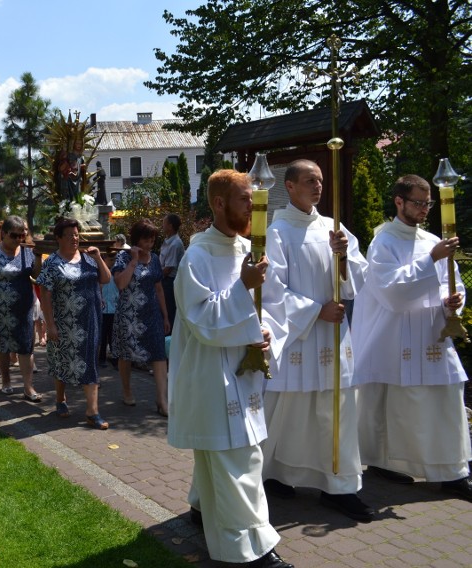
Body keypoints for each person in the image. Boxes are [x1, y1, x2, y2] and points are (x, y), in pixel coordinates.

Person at [168, 169, 292, 568]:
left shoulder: (248, 249)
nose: (254, 208)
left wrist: (267, 331)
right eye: (245, 200)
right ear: (219, 204)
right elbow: (200, 319)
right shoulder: (198, 256)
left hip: (245, 371)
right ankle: (248, 552)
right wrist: (242, 287)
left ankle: (204, 509)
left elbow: (271, 305)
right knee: (238, 459)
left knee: (239, 453)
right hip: (212, 374)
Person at [260, 159, 373, 521]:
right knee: (287, 412)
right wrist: (313, 311)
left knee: (335, 411)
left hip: (334, 337)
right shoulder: (277, 233)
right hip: (300, 338)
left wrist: (343, 257)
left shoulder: (335, 229)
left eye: (321, 180)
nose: (318, 186)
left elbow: (359, 280)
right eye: (310, 180)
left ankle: (338, 485)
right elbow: (271, 289)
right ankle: (275, 473)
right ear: (289, 186)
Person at [353, 174, 472, 501]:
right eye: (418, 203)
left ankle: (452, 472)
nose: (424, 210)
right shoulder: (383, 242)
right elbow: (392, 292)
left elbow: (453, 281)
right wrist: (431, 259)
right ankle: (385, 462)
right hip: (396, 339)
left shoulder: (432, 238)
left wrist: (453, 301)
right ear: (399, 202)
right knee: (400, 406)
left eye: (428, 203)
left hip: (433, 334)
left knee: (448, 397)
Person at [38, 218, 111, 429]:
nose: (74, 238)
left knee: (89, 362)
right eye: (69, 235)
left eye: (76, 235)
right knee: (62, 361)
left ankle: (92, 411)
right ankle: (60, 399)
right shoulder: (52, 263)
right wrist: (50, 325)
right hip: (65, 323)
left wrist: (98, 258)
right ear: (59, 239)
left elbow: (105, 279)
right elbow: (45, 293)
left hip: (91, 321)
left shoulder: (88, 258)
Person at [0, 215, 41, 401]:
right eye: (14, 235)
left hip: (23, 310)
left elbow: (36, 275)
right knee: (2, 346)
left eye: (22, 235)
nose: (18, 239)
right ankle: (6, 380)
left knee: (26, 347)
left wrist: (37, 257)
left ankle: (28, 387)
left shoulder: (26, 252)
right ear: (3, 233)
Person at [112, 219, 170, 415]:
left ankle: (162, 400)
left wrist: (165, 316)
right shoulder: (123, 256)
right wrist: (134, 261)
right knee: (126, 354)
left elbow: (159, 288)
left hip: (151, 313)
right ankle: (127, 391)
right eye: (146, 239)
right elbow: (120, 284)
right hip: (129, 315)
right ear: (137, 239)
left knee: (159, 354)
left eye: (153, 239)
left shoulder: (154, 258)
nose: (150, 244)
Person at [159, 214, 185, 333]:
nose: (162, 225)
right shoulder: (169, 241)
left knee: (169, 312)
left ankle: (169, 339)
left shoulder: (175, 244)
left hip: (169, 282)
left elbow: (168, 268)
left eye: (164, 222)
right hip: (166, 280)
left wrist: (155, 278)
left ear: (170, 226)